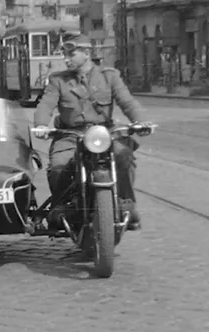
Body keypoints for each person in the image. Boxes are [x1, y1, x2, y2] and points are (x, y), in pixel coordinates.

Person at [30, 35, 152, 231]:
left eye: (71, 54)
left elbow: (127, 102)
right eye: (64, 54)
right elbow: (46, 103)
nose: (66, 59)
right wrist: (42, 124)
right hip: (71, 135)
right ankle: (61, 207)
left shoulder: (109, 76)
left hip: (104, 134)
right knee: (59, 166)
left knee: (124, 156)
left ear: (87, 54)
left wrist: (140, 121)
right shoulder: (58, 80)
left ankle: (126, 203)